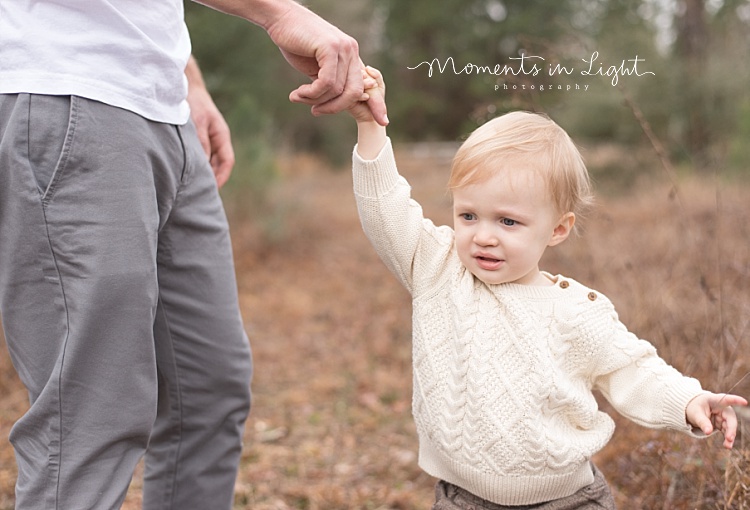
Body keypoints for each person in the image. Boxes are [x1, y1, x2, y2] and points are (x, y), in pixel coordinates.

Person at [0, 1, 386, 509]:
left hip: (166, 110)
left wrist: (189, 80)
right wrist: (279, 14)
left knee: (207, 390)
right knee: (90, 416)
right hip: (70, 91)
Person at [348, 67, 747, 509]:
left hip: (566, 501)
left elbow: (633, 370)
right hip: (463, 499)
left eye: (508, 221)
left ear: (557, 229)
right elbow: (385, 211)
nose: (483, 235)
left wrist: (689, 398)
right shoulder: (438, 268)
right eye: (468, 216)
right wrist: (370, 127)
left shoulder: (577, 311)